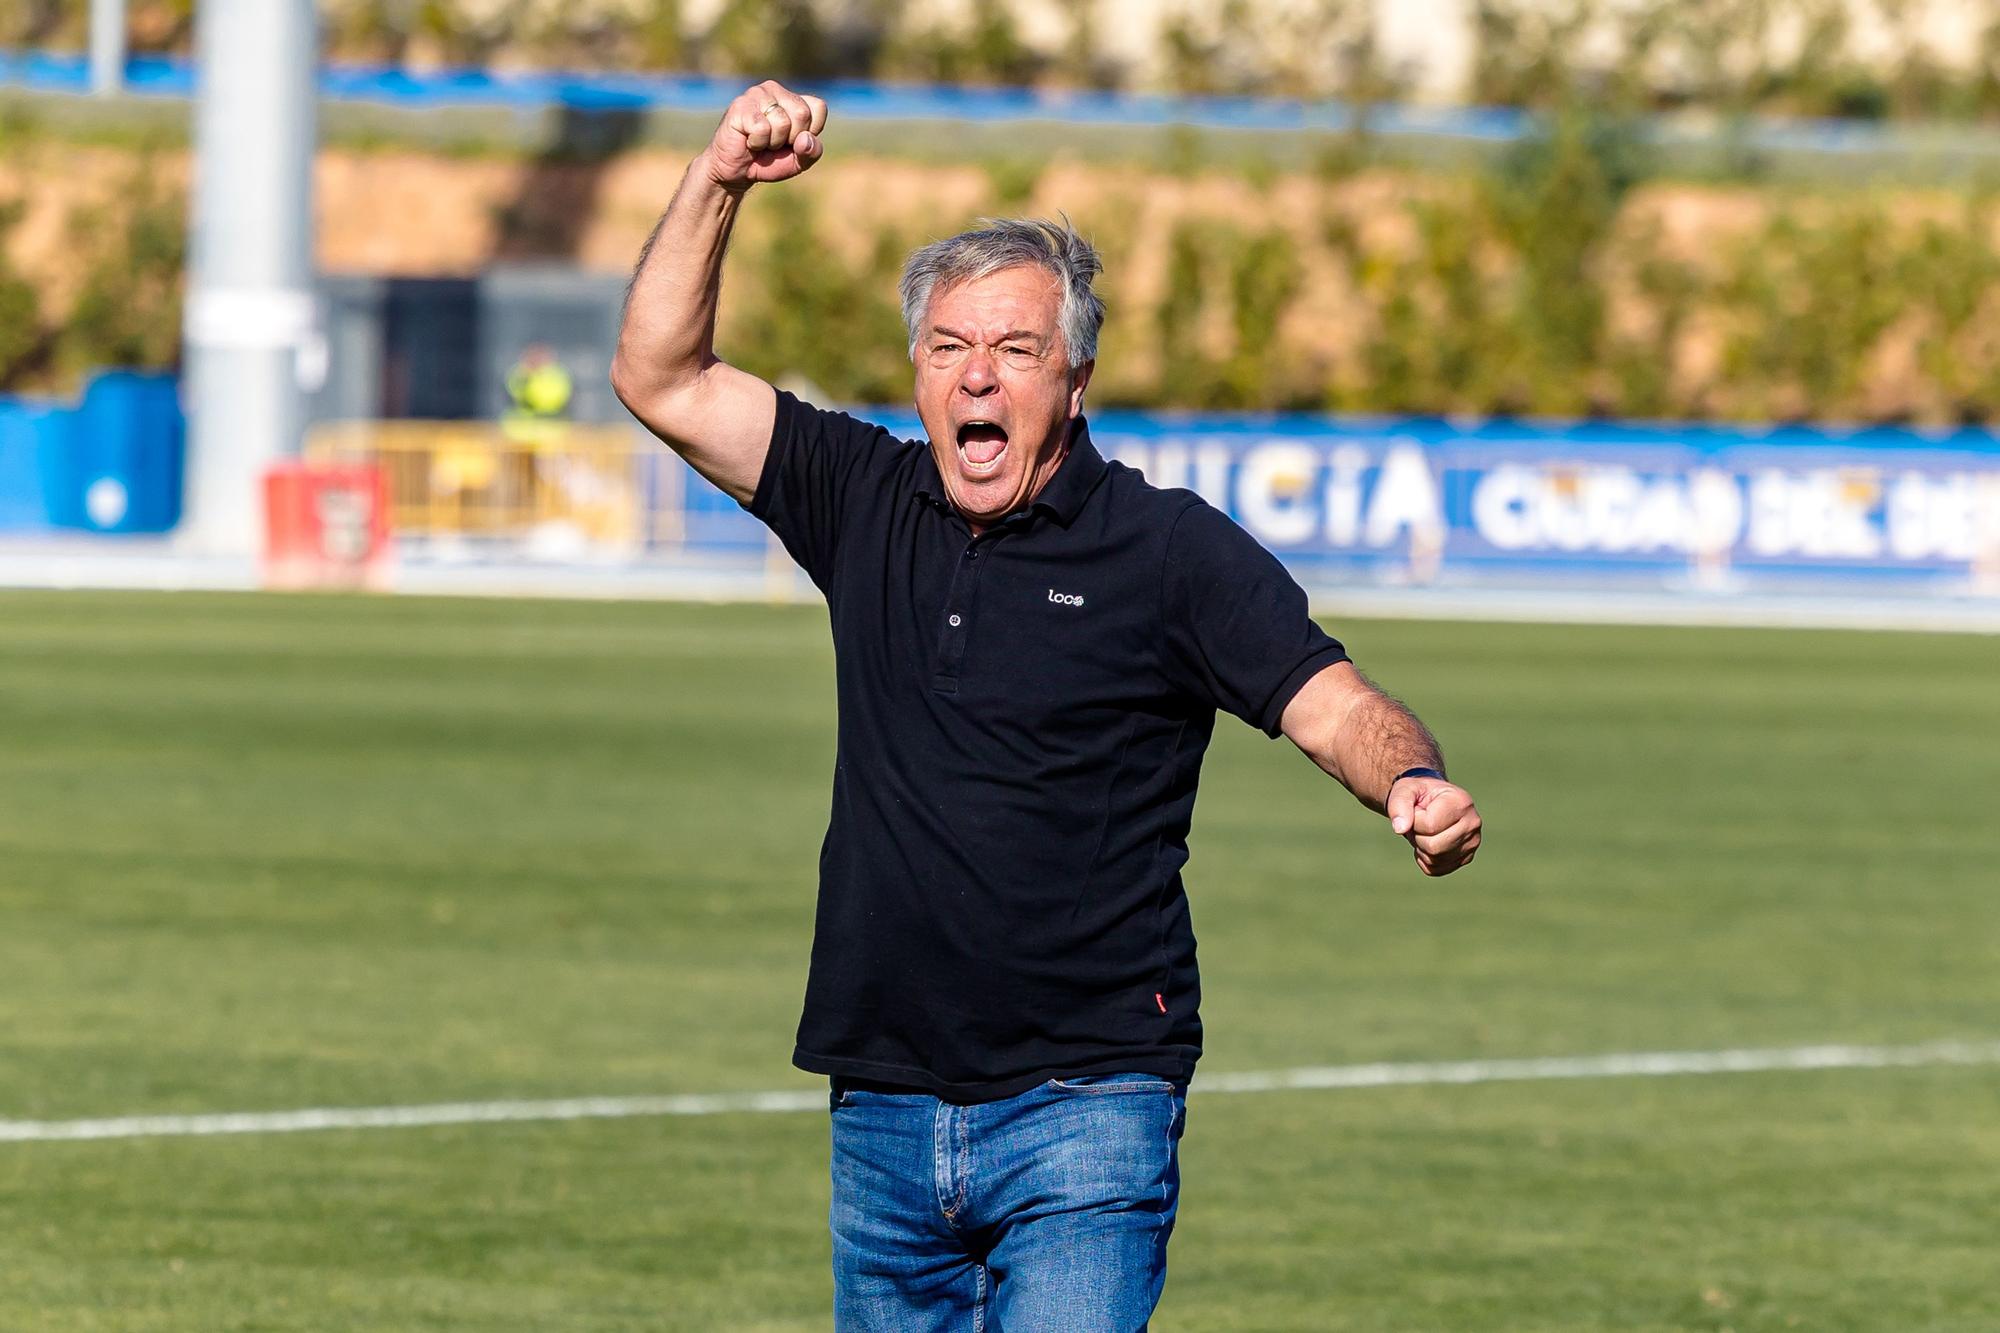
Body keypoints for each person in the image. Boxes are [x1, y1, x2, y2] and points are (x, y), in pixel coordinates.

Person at [612, 80, 1483, 1333]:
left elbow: (1329, 700)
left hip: (1088, 1104)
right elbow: (661, 371)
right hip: (883, 1100)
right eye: (949, 348)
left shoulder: (1166, 548)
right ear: (916, 371)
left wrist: (1407, 778)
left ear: (1072, 378)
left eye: (1015, 350)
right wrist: (717, 180)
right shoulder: (862, 495)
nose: (978, 377)